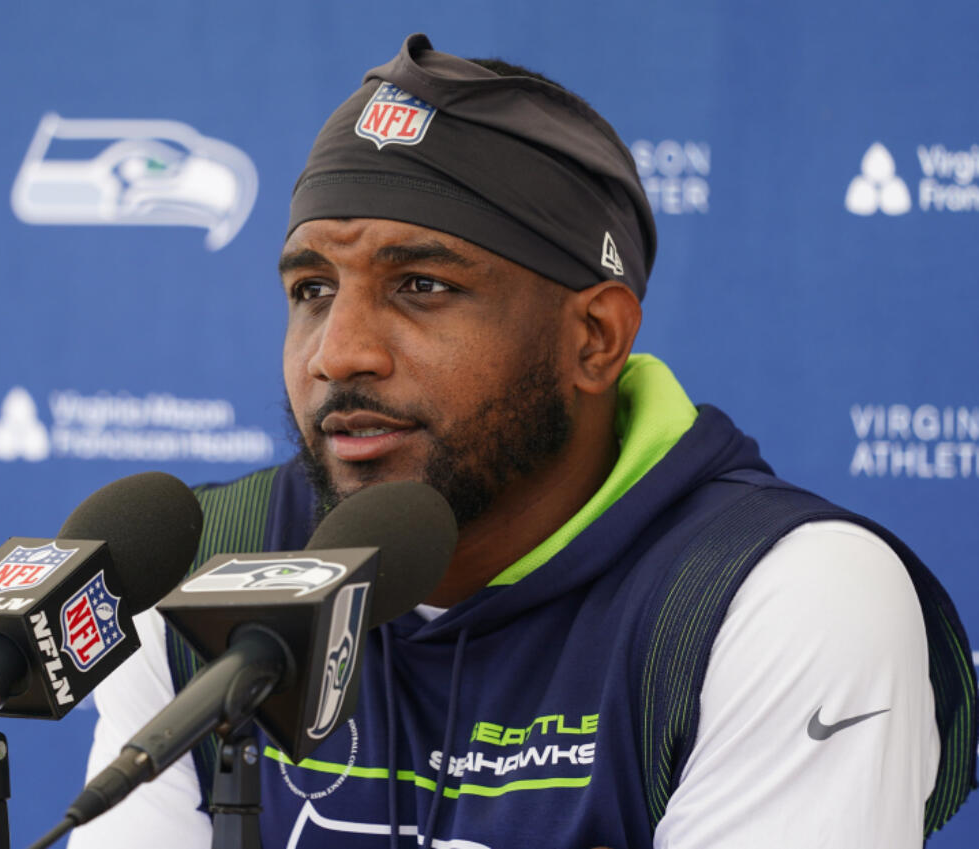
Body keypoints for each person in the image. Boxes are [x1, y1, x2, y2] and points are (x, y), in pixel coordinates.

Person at [68, 34, 976, 849]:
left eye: (421, 284)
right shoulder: (205, 570)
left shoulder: (778, 596)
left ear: (595, 339)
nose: (338, 352)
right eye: (311, 289)